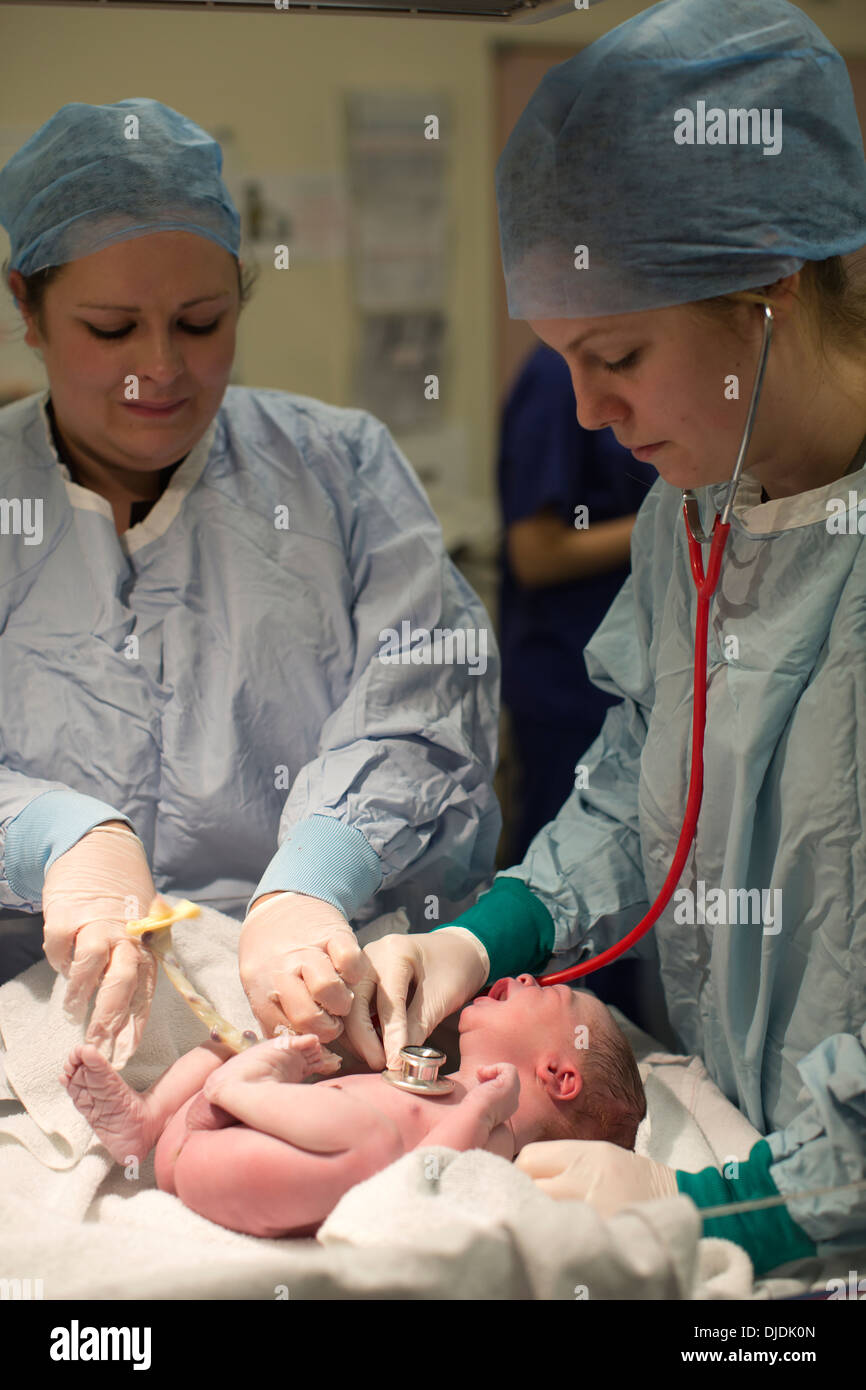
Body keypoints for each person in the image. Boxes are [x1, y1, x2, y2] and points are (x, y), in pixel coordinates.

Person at [342, 0, 866, 1276]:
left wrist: (733, 1204)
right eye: (561, 358)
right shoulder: (689, 516)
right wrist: (486, 936)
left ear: (767, 291)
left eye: (615, 351)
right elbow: (642, 783)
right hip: (748, 1154)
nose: (585, 408)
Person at [0, 98, 500, 1069]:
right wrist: (55, 836)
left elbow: (424, 704)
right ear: (25, 305)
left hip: (314, 1004)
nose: (160, 367)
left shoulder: (341, 469)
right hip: (36, 1024)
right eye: (109, 328)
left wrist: (313, 877)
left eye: (200, 321)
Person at [61, 972, 646, 1237]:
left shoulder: (494, 1138)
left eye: (553, 994)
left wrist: (483, 1108)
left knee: (378, 1144)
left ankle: (237, 1088)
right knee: (237, 1040)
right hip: (199, 1144)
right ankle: (145, 1123)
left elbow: (424, 1178)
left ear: (557, 1076)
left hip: (240, 1171)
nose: (527, 976)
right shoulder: (436, 1077)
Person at [498, 341, 656, 865]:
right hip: (570, 682)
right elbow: (535, 555)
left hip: (636, 677)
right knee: (566, 868)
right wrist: (672, 521)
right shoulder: (555, 376)